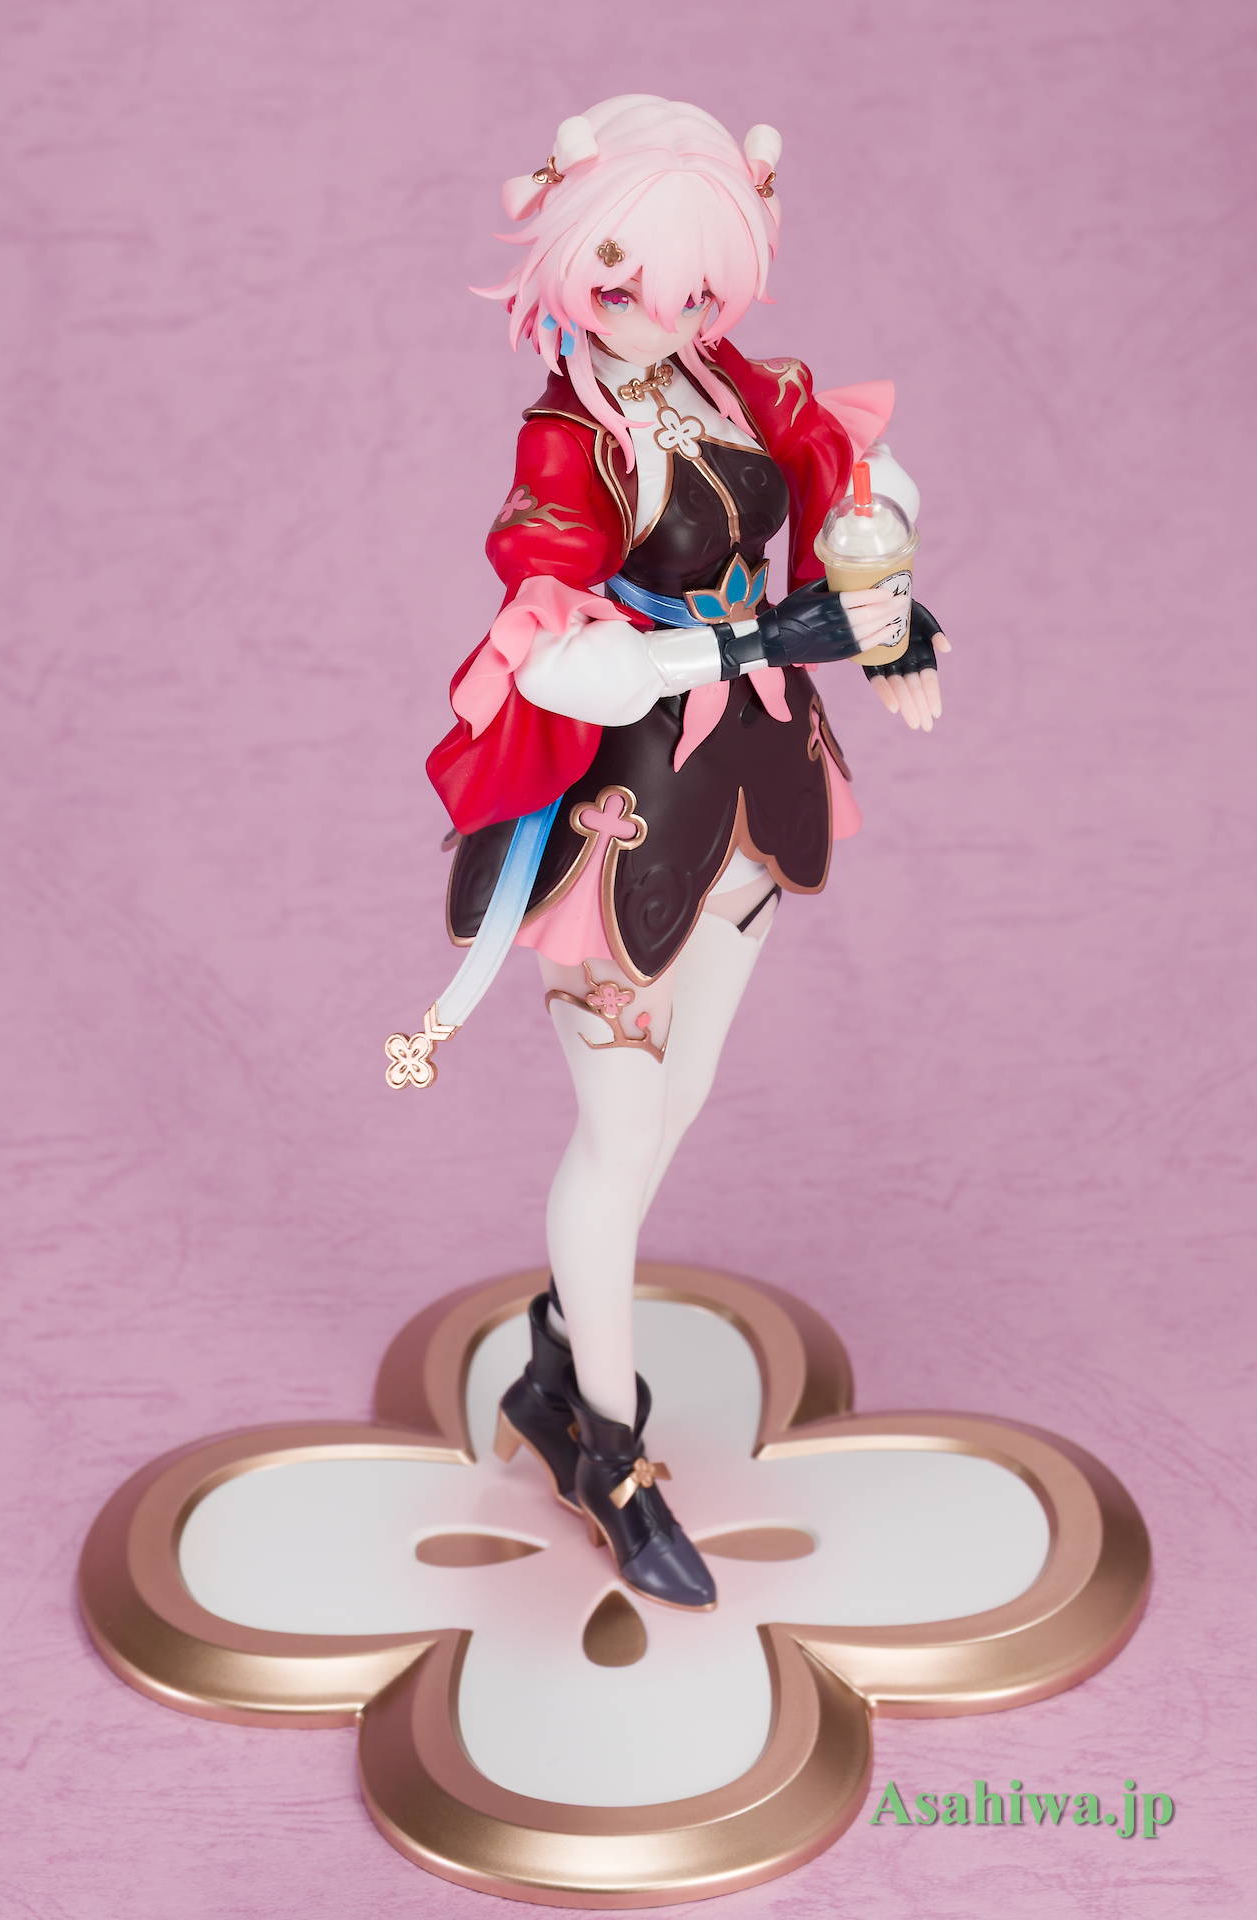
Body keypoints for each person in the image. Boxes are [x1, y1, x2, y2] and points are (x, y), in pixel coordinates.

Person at [421, 94, 951, 1612]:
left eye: (701, 289)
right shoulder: (566, 443)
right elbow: (554, 650)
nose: (668, 319)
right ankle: (607, 1439)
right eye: (633, 285)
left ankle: (556, 1349)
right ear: (570, 266)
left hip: (754, 785)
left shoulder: (736, 382)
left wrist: (885, 605)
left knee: (681, 1101)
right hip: (627, 815)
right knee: (617, 1129)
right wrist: (741, 642)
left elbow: (856, 481)